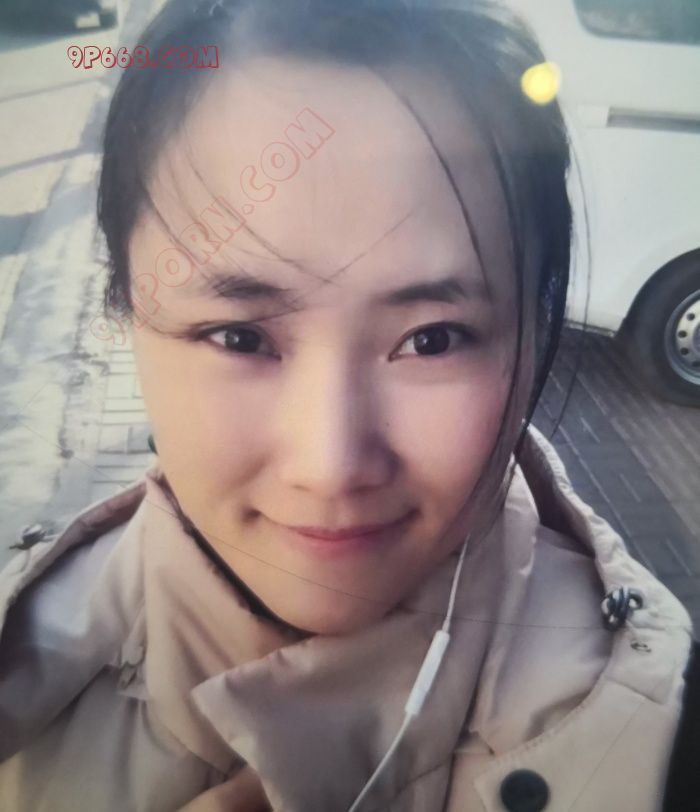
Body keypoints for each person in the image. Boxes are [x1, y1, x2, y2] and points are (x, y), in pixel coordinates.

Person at [0, 0, 696, 810]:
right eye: (238, 336)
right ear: (123, 309)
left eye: (433, 339)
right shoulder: (26, 675)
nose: (331, 465)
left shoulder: (657, 743)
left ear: (536, 330)